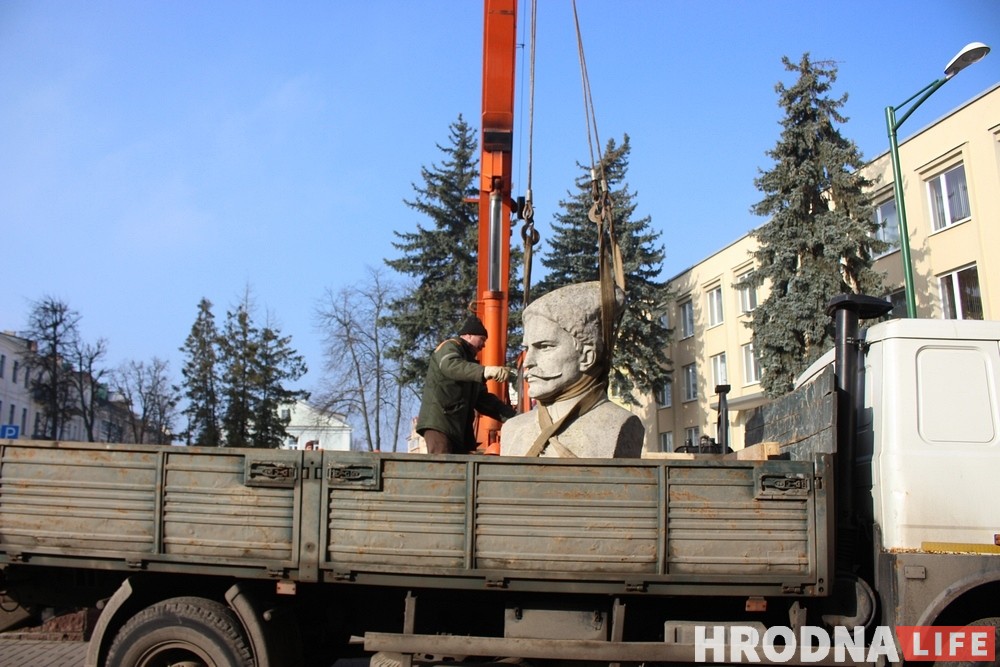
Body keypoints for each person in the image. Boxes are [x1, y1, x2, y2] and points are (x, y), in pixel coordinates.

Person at [501, 282, 644, 458]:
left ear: (586, 356)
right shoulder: (513, 429)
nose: (528, 362)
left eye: (544, 346)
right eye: (527, 349)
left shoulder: (617, 424)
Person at [416, 315, 516, 454]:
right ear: (468, 335)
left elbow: (484, 401)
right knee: (444, 468)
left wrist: (514, 418)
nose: (484, 345)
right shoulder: (449, 347)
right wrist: (485, 371)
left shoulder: (469, 365)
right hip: (440, 424)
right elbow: (450, 365)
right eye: (482, 339)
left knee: (459, 471)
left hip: (456, 428)